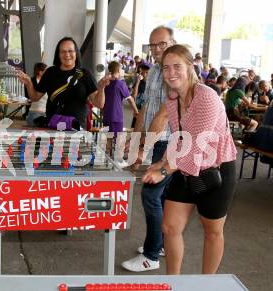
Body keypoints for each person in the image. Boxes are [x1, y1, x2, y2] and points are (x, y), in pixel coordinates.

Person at [142, 44, 237, 274]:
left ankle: (206, 284)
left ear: (190, 68)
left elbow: (195, 145)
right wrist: (162, 160)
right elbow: (179, 137)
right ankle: (174, 282)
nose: (171, 72)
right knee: (169, 226)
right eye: (166, 67)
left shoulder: (207, 97)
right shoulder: (173, 98)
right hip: (185, 169)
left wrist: (164, 171)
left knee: (212, 231)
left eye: (177, 66)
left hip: (216, 169)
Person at [121, 26, 175, 272]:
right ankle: (160, 245)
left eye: (161, 44)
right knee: (161, 197)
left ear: (172, 42)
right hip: (157, 140)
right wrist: (135, 140)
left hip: (172, 142)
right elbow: (144, 107)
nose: (156, 50)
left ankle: (151, 256)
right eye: (152, 45)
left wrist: (143, 148)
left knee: (150, 195)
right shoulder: (153, 71)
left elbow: (164, 116)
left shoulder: (176, 72)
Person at [18, 36, 111, 130]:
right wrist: (29, 83)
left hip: (77, 129)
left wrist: (101, 87)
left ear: (76, 53)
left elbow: (99, 104)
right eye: (63, 51)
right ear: (58, 54)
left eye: (70, 51)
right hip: (54, 127)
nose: (67, 54)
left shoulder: (85, 74)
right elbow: (35, 97)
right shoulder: (50, 72)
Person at [103, 61, 138, 134]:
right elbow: (130, 99)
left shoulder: (105, 83)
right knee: (118, 141)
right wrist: (136, 111)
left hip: (106, 116)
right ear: (119, 70)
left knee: (108, 140)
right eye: (122, 69)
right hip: (116, 117)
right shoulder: (120, 84)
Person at [25, 62, 48, 126]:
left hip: (46, 113)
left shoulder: (48, 81)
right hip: (35, 113)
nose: (48, 72)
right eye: (46, 71)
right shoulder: (31, 81)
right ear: (40, 72)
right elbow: (29, 96)